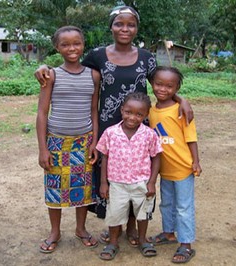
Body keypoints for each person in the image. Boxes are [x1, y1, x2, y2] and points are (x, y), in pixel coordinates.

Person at [35, 5, 194, 247]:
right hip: (108, 131)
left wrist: (183, 99)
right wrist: (43, 67)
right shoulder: (97, 55)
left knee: (138, 176)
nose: (125, 28)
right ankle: (114, 228)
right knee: (112, 177)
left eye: (131, 24)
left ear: (137, 28)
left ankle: (132, 229)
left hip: (139, 128)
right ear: (111, 27)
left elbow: (164, 84)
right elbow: (70, 64)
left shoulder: (147, 58)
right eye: (119, 23)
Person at [36, 25, 100, 253]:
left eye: (76, 43)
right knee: (55, 187)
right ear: (57, 47)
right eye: (65, 44)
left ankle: (81, 229)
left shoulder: (93, 75)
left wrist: (94, 141)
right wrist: (43, 148)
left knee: (82, 188)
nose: (72, 48)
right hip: (56, 141)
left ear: (83, 45)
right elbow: (42, 113)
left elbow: (94, 110)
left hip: (83, 142)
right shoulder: (51, 75)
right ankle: (55, 231)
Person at [96, 92, 162, 260]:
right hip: (117, 183)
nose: (132, 117)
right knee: (115, 213)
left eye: (139, 114)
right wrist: (104, 183)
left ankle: (142, 240)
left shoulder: (149, 134)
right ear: (122, 110)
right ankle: (112, 242)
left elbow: (156, 157)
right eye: (128, 112)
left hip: (142, 182)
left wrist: (152, 182)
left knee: (143, 213)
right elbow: (105, 157)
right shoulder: (111, 133)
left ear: (146, 115)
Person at [148, 66, 202, 264]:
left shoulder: (181, 110)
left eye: (169, 86)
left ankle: (186, 243)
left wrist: (195, 161)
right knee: (167, 204)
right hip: (164, 170)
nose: (163, 89)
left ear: (177, 87)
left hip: (182, 168)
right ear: (152, 84)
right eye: (159, 84)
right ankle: (169, 233)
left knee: (183, 207)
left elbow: (191, 137)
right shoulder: (151, 110)